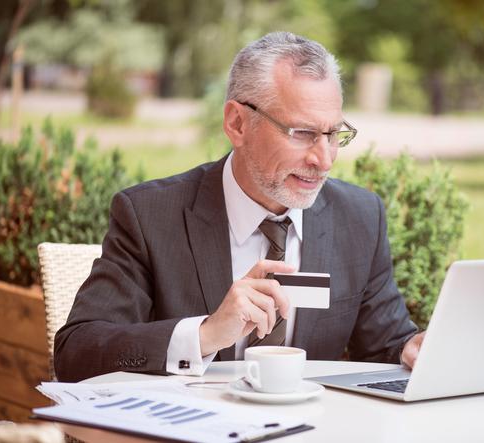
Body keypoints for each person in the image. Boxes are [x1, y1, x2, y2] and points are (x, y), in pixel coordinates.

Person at [54, 32, 425, 383]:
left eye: (333, 134)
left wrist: (412, 349)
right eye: (302, 133)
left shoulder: (359, 217)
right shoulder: (149, 215)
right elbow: (76, 353)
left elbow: (386, 342)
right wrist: (205, 334)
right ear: (237, 123)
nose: (324, 159)